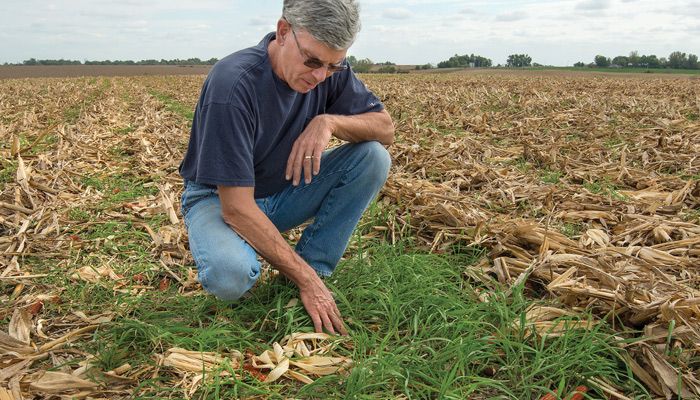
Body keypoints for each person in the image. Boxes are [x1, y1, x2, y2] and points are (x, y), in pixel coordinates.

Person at [178, 0, 394, 336]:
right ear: (283, 32)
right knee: (230, 275)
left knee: (373, 157)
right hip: (219, 201)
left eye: (333, 66)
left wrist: (329, 122)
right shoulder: (233, 84)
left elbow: (385, 128)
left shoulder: (327, 70)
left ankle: (313, 268)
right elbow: (236, 209)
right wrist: (304, 279)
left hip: (282, 189)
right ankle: (305, 278)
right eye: (312, 61)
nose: (320, 76)